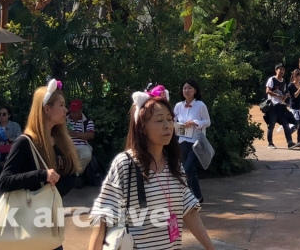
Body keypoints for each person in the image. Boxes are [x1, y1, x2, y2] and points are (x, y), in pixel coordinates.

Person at [88, 85, 215, 250]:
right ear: (142, 127)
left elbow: (189, 211)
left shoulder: (174, 164)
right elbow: (103, 217)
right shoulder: (125, 164)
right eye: (159, 120)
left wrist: (211, 248)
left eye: (170, 119)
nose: (168, 125)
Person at [0, 80, 82, 250]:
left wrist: (52, 193)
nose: (66, 110)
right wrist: (42, 175)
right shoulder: (24, 142)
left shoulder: (60, 141)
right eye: (61, 105)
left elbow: (68, 178)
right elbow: (5, 181)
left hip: (49, 223)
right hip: (26, 225)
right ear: (47, 109)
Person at [173, 79, 211, 204]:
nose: (187, 90)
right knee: (191, 172)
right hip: (182, 142)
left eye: (190, 88)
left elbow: (207, 122)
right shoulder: (178, 106)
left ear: (195, 90)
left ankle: (185, 199)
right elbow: (173, 120)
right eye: (184, 88)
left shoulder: (200, 105)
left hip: (196, 143)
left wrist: (195, 122)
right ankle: (198, 197)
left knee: (186, 170)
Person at [264, 65, 297, 149]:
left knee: (286, 124)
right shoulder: (272, 79)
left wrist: (285, 96)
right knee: (271, 125)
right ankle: (270, 143)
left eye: (283, 70)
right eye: (280, 69)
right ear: (276, 70)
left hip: (280, 107)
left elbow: (282, 97)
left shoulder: (283, 82)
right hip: (272, 106)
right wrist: (277, 94)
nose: (282, 71)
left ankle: (290, 143)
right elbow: (267, 91)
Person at [66, 99, 96, 172]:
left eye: (75, 112)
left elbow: (91, 135)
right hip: (67, 144)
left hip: (82, 145)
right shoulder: (65, 119)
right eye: (72, 112)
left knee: (87, 154)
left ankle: (76, 173)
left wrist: (76, 134)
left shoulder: (87, 121)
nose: (73, 114)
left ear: (80, 110)